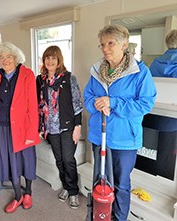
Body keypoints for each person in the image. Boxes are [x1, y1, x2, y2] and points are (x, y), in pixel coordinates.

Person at [84, 24, 157, 221]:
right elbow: (88, 97)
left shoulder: (140, 72)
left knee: (121, 184)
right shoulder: (97, 71)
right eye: (102, 44)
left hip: (125, 139)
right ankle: (99, 215)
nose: (105, 48)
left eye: (110, 43)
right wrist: (98, 105)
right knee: (99, 180)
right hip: (100, 136)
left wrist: (113, 103)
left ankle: (119, 218)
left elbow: (145, 104)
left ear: (124, 44)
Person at [0, 42, 40, 213]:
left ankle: (29, 192)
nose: (5, 60)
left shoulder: (27, 74)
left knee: (27, 160)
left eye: (8, 57)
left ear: (15, 57)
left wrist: (32, 130)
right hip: (2, 126)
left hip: (23, 126)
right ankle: (18, 196)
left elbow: (33, 105)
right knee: (11, 161)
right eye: (1, 58)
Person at [36, 45, 83, 209]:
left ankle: (73, 191)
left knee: (68, 159)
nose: (50, 61)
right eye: (47, 58)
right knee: (59, 160)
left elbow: (77, 104)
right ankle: (66, 186)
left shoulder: (69, 78)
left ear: (59, 60)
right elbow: (37, 104)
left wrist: (78, 126)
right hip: (50, 128)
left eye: (53, 58)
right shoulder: (40, 80)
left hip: (67, 126)